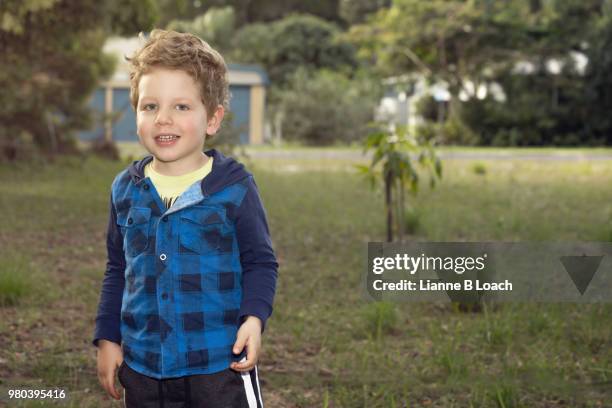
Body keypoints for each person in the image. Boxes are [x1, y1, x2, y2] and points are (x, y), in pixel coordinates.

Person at [92, 29, 278, 408]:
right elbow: (117, 268)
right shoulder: (124, 189)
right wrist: (108, 339)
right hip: (144, 369)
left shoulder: (235, 188)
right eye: (150, 106)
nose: (163, 119)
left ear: (212, 119)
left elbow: (261, 262)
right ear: (136, 113)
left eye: (181, 107)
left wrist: (254, 320)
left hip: (218, 367)